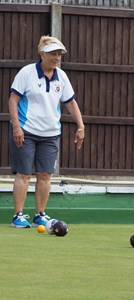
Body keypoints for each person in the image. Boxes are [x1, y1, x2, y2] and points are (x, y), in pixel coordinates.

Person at [8, 36, 85, 228]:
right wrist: (16, 126)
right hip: (26, 130)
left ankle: (40, 214)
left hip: (51, 134)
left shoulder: (62, 76)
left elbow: (71, 103)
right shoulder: (27, 73)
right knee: (24, 174)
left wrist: (81, 126)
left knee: (45, 175)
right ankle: (18, 215)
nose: (56, 57)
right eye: (52, 53)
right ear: (42, 53)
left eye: (59, 54)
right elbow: (13, 100)